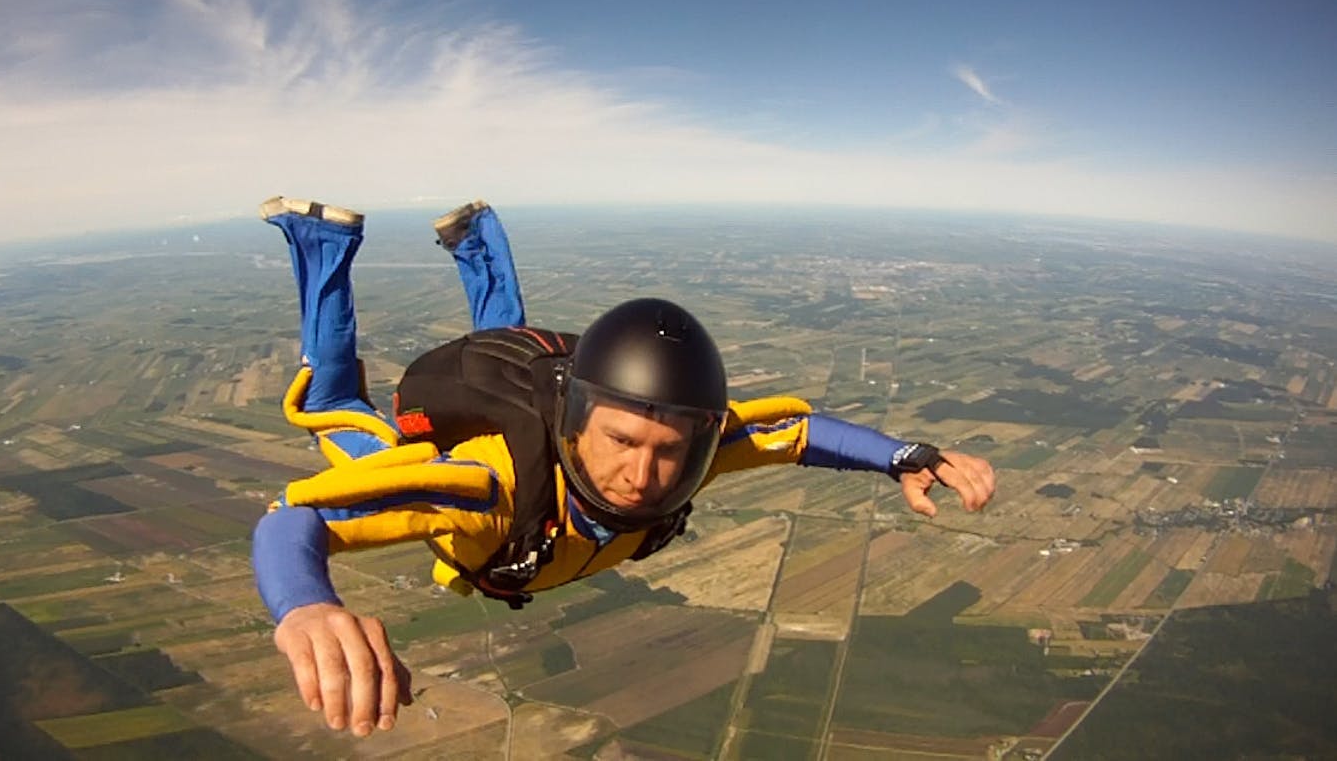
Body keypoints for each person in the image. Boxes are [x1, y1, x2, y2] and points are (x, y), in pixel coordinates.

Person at [251, 197, 997, 738]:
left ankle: (477, 234)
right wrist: (305, 605)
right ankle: (323, 239)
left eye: (668, 450)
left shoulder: (687, 455)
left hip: (545, 455)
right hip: (475, 463)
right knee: (337, 403)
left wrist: (907, 457)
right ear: (575, 425)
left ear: (697, 440)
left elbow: (795, 429)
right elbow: (298, 518)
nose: (642, 476)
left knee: (509, 335)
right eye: (619, 441)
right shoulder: (483, 489)